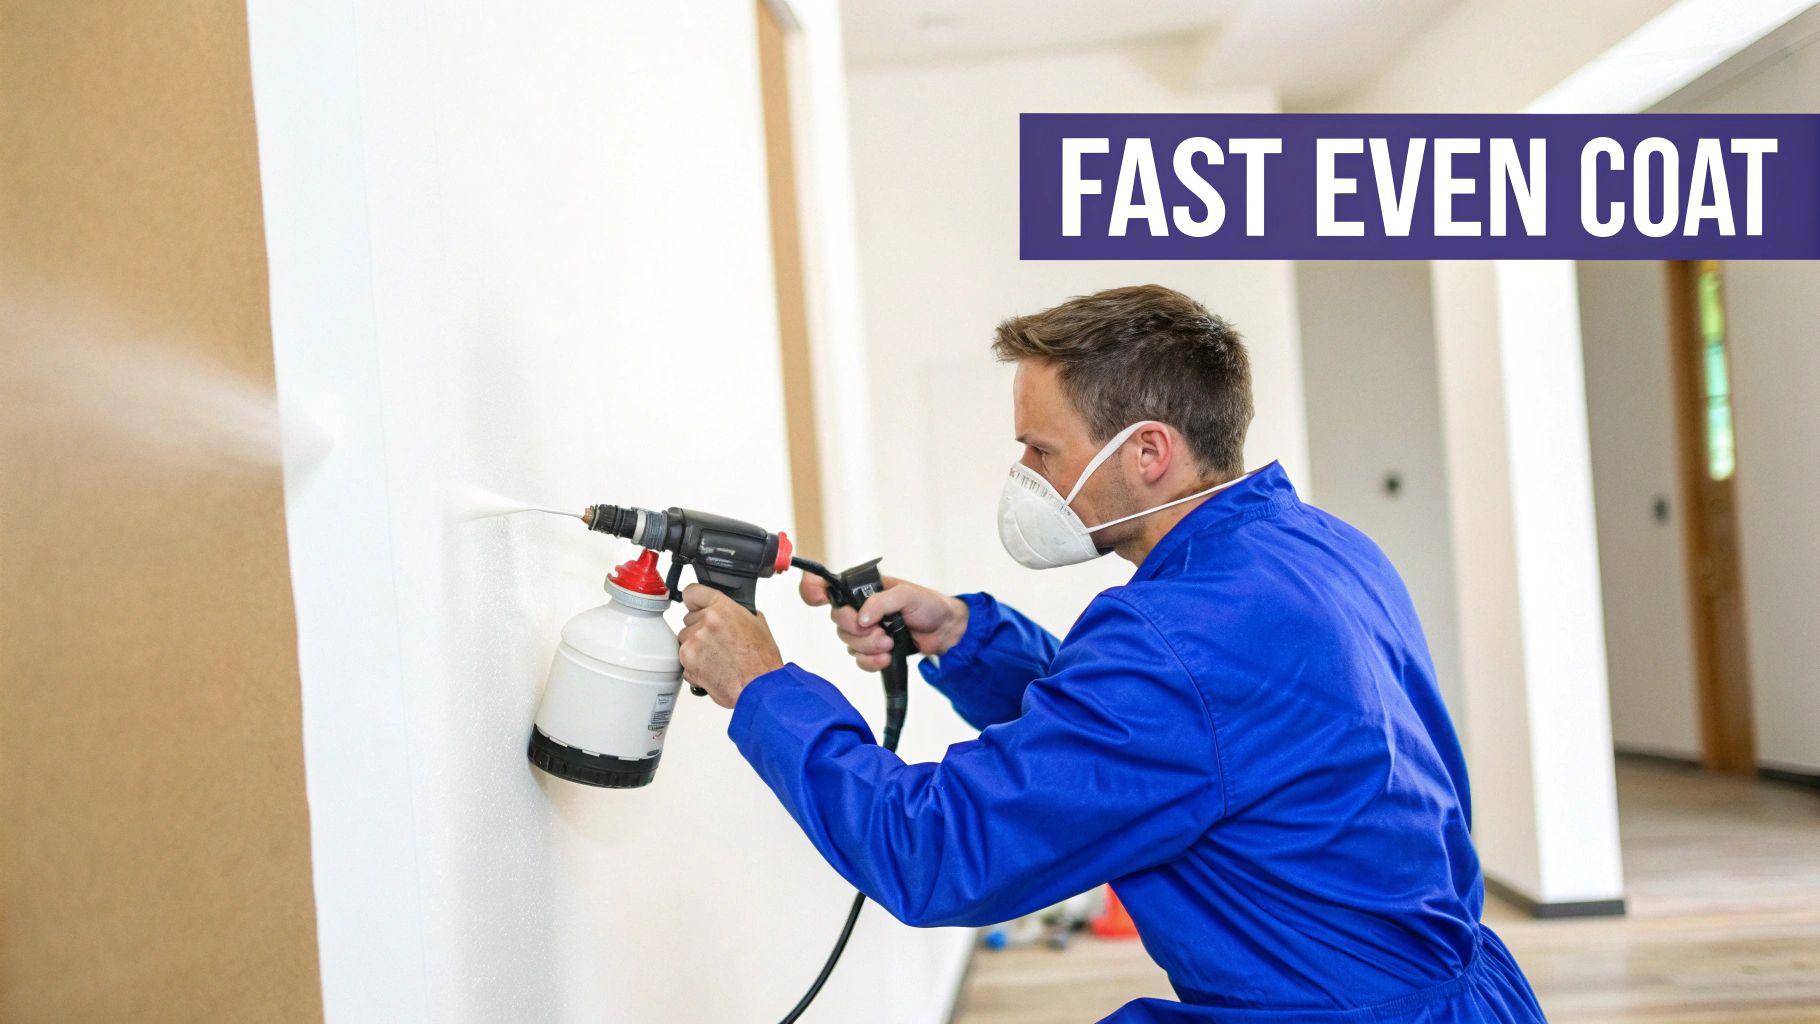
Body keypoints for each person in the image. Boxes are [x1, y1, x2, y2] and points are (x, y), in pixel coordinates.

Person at [677, 285, 1546, 1022]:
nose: (1024, 474)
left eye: (1041, 450)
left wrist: (762, 687)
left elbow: (938, 847)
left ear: (1149, 452)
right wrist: (968, 637)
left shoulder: (1179, 637)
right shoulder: (1317, 546)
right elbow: (1169, 738)